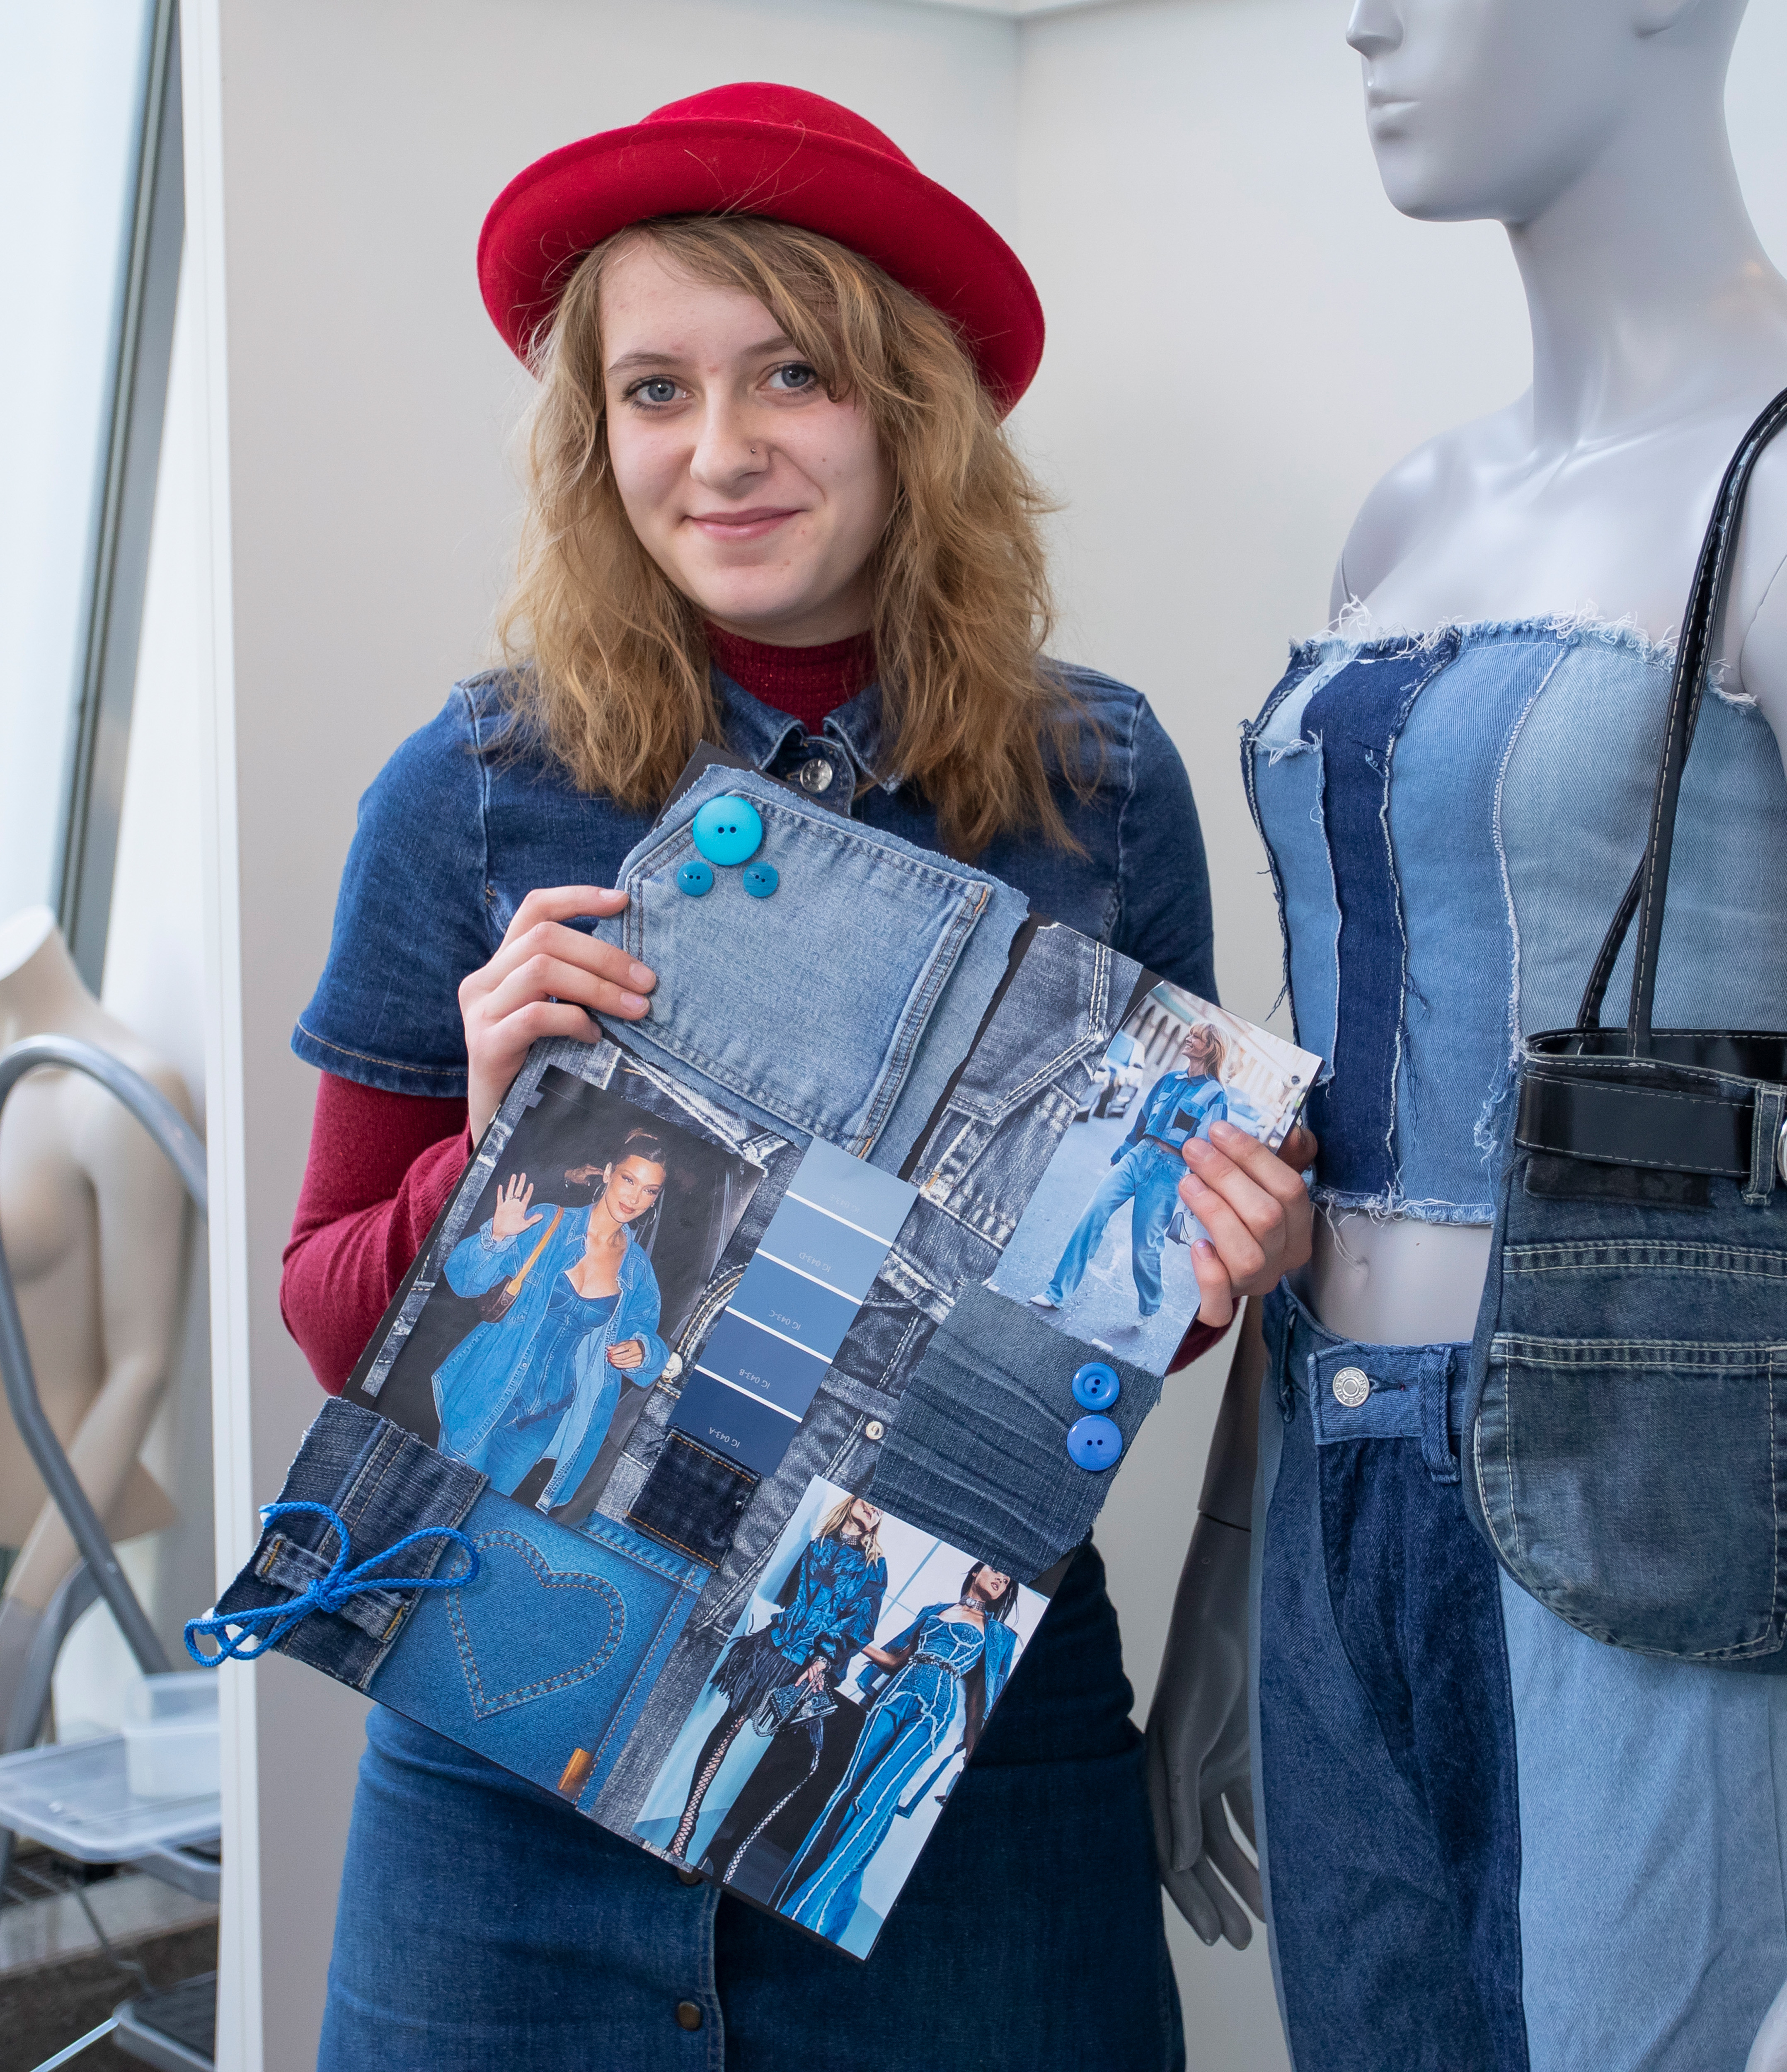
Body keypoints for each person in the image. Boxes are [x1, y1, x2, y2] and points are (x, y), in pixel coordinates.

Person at [279, 82, 1303, 2072]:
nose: (720, 450)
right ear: (597, 440)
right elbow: (336, 1305)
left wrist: (1210, 1260)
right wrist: (489, 1157)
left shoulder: (1097, 785)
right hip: (512, 1748)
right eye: (653, 391)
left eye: (792, 378)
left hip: (952, 1768)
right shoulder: (472, 789)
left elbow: (1099, 1346)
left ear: (906, 409)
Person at [1147, 7, 1787, 2071]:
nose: (1362, 18)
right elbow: (1313, 1130)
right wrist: (1223, 1597)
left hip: (1651, 1514)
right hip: (1325, 1500)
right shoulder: (1405, 520)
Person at [772, 1563, 1020, 1946]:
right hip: (894, 1697)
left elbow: (978, 1706)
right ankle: (796, 1899)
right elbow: (894, 1660)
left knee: (873, 1804)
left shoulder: (999, 1635)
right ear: (975, 1571)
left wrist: (970, 1766)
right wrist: (850, 1635)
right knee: (847, 1792)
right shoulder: (933, 1611)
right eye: (998, 1570)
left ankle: (806, 1910)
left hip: (934, 1709)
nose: (1002, 1579)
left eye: (1008, 1581)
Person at [432, 1128, 670, 1502]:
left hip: (544, 1417)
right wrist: (494, 1236)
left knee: (482, 1518)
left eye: (649, 1190)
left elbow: (649, 1344)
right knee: (444, 1500)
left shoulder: (637, 1271)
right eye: (629, 1179)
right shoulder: (549, 1221)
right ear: (608, 1173)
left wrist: (643, 1350)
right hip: (490, 1387)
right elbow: (463, 1281)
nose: (635, 1197)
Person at [651, 1495, 888, 1862]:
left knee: (804, 1760)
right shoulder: (817, 1544)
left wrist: (825, 1658)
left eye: (881, 1511)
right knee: (729, 1728)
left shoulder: (874, 1565)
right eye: (870, 1502)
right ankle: (687, 1826)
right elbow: (790, 1595)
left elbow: (861, 1622)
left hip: (811, 1665)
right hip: (774, 1650)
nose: (876, 1509)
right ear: (852, 1502)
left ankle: (733, 1846)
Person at [1035, 1021, 1228, 1322]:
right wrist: (1124, 1152)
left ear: (1211, 1048)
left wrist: (1196, 1190)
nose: (1188, 1039)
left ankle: (1151, 1302)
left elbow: (1207, 1150)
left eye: (1196, 1037)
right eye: (1189, 1034)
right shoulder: (1170, 1080)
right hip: (1138, 1156)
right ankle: (1056, 1292)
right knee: (1093, 1213)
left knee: (1144, 1250)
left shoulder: (1215, 1095)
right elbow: (1142, 1119)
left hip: (1169, 1172)